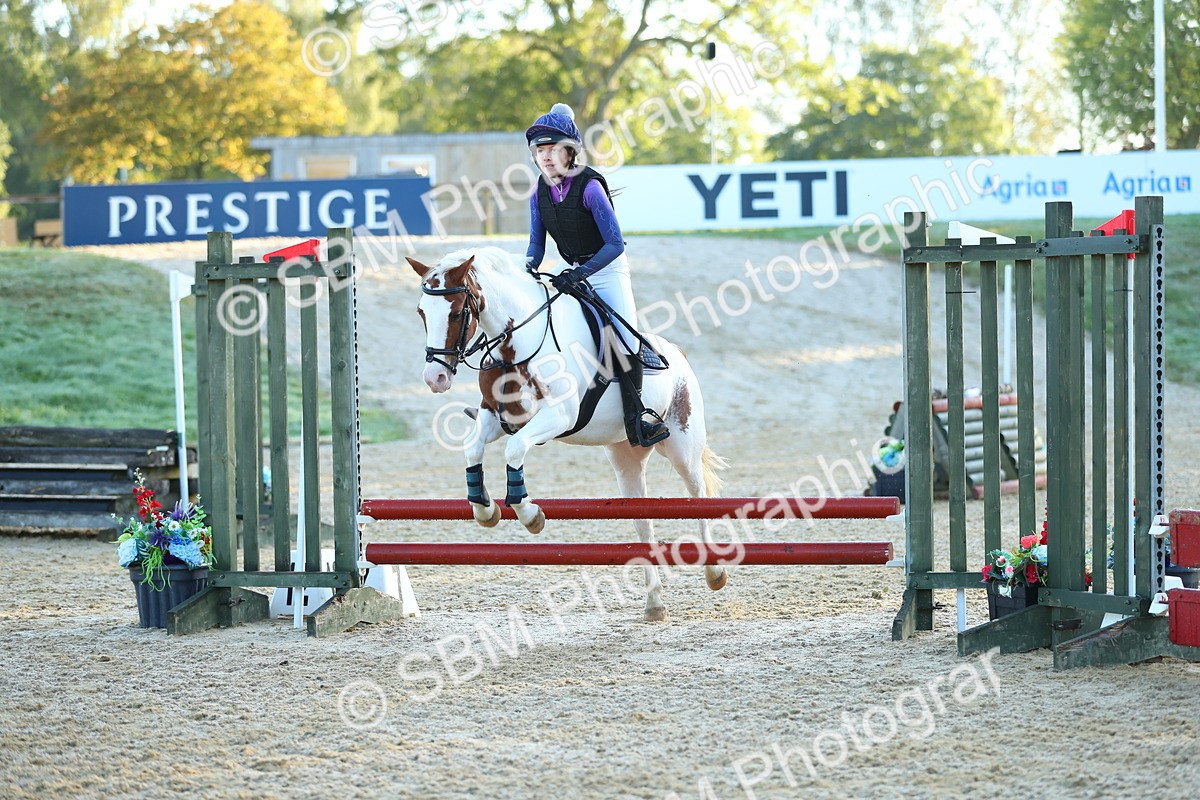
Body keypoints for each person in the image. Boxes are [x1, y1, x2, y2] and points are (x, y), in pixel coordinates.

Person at [523, 102, 669, 447]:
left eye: (553, 149)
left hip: (606, 269)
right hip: (569, 269)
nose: (545, 157)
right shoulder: (538, 192)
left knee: (626, 340)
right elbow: (535, 247)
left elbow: (616, 244)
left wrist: (583, 272)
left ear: (570, 152)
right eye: (539, 150)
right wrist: (526, 269)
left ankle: (637, 419)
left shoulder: (589, 187)